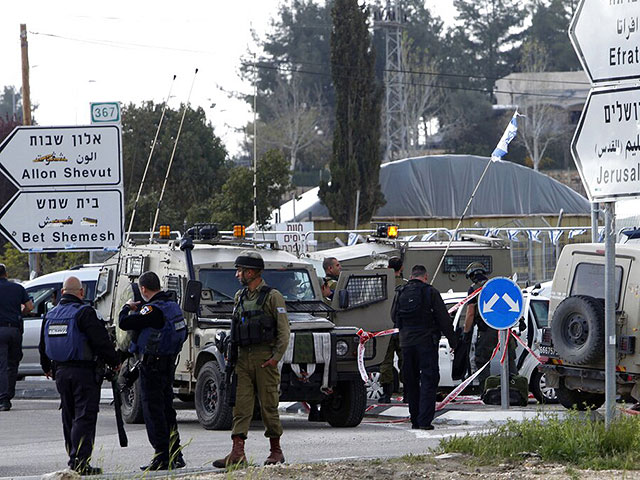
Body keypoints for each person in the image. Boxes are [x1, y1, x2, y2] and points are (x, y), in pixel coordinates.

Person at [214, 251, 291, 468]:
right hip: (242, 359)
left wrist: (275, 358)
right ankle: (237, 453)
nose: (237, 275)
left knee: (268, 405)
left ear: (250, 272)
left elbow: (284, 332)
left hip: (264, 358)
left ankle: (276, 451)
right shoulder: (240, 297)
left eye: (240, 271)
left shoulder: (272, 296)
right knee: (241, 406)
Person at [39, 276, 118, 475]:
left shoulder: (51, 314)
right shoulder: (84, 313)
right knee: (84, 416)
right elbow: (100, 341)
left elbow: (42, 345)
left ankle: (72, 458)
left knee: (69, 415)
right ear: (81, 293)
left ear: (63, 293)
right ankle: (80, 462)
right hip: (84, 372)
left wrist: (46, 367)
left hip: (61, 372)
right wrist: (115, 362)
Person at [119, 271, 187, 471]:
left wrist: (126, 308)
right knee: (167, 410)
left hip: (152, 366)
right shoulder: (172, 306)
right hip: (167, 364)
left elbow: (125, 323)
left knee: (153, 411)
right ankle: (176, 453)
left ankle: (161, 456)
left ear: (143, 289)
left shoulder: (151, 310)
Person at [392, 264, 456, 430]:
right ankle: (425, 421)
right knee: (429, 380)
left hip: (406, 344)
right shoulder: (430, 292)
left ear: (412, 276)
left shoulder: (400, 292)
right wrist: (453, 341)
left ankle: (414, 420)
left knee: (411, 382)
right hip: (426, 343)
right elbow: (444, 319)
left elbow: (393, 316)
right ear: (425, 277)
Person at [462, 262, 516, 391]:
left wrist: (466, 332)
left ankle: (486, 391)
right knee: (509, 359)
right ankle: (515, 389)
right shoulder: (497, 285)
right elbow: (512, 304)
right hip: (505, 328)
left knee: (482, 361)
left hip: (487, 330)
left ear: (472, 276)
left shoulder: (474, 289)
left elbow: (470, 313)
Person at [0, 263, 33, 411]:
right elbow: (30, 306)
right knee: (12, 365)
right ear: (6, 274)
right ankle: (8, 395)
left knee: (1, 365)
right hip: (14, 330)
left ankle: (3, 399)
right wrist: (20, 313)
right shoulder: (18, 288)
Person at [378, 256, 405, 403]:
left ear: (389, 267)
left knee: (385, 361)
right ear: (401, 268)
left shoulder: (382, 284)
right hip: (402, 329)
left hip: (385, 328)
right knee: (405, 360)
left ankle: (386, 394)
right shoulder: (406, 285)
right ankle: (408, 392)